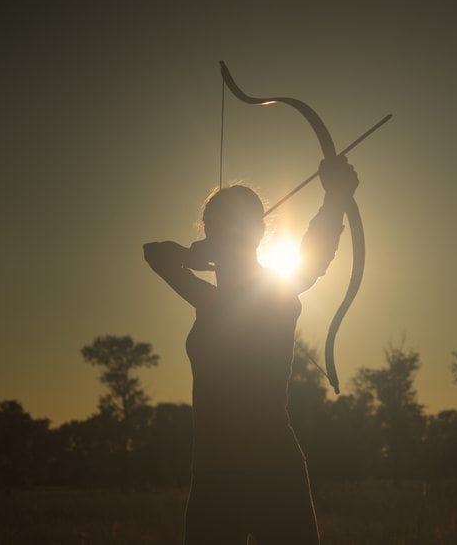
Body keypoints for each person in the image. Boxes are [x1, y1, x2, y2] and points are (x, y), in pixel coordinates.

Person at [143, 157, 358, 544]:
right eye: (213, 226)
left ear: (259, 232)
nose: (219, 232)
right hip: (211, 473)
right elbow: (153, 253)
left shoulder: (275, 292)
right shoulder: (209, 301)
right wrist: (195, 256)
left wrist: (336, 197)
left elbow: (315, 255)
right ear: (207, 232)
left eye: (230, 225)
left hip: (272, 469)